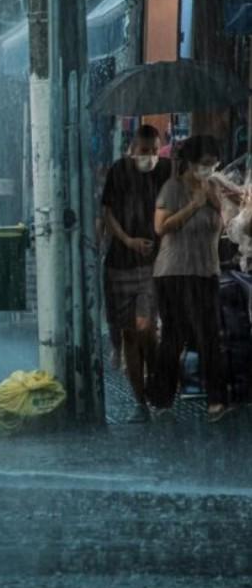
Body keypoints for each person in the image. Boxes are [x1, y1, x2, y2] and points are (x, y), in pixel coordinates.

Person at [152, 135, 231, 422]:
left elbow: (220, 227)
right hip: (175, 271)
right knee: (175, 336)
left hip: (207, 270)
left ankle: (217, 402)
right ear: (191, 163)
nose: (209, 169)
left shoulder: (212, 187)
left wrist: (216, 203)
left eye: (214, 164)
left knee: (210, 335)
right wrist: (193, 206)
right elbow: (161, 227)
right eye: (205, 164)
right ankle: (162, 399)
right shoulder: (172, 188)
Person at [100, 124, 172, 422]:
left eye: (155, 151)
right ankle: (140, 401)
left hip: (154, 262)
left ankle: (158, 390)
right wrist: (127, 240)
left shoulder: (168, 170)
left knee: (147, 328)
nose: (150, 157)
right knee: (131, 333)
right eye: (145, 152)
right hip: (121, 261)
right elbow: (107, 212)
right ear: (132, 149)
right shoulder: (119, 171)